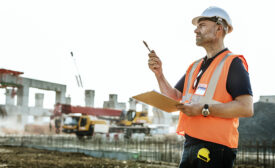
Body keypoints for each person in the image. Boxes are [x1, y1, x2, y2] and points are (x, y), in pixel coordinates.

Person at [147, 6, 253, 168]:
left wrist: (204, 109)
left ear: (219, 28)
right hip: (191, 143)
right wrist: (159, 74)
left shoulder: (233, 63)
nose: (196, 30)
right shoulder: (195, 66)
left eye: (202, 25)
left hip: (216, 149)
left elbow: (246, 108)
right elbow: (175, 97)